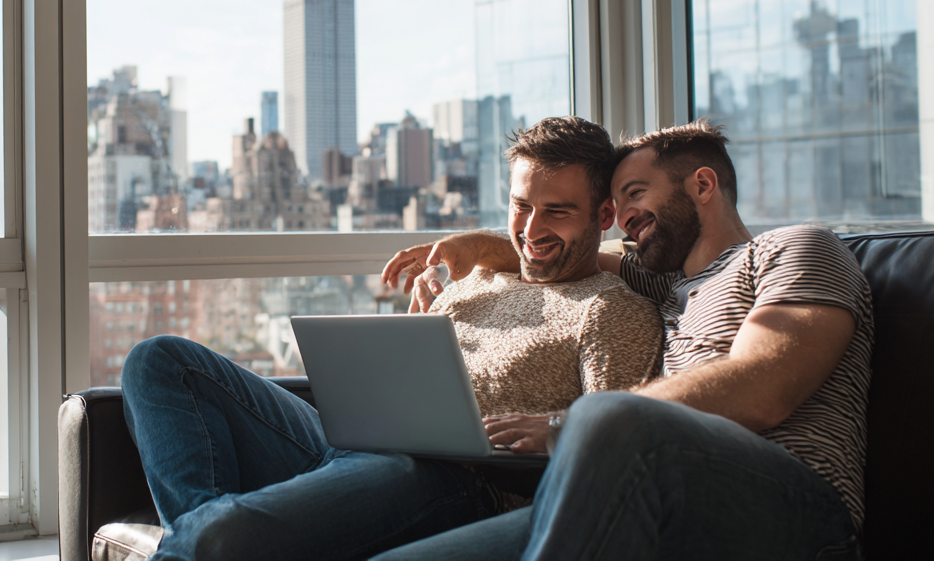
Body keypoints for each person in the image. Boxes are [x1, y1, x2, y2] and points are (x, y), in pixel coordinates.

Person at [120, 117, 663, 561]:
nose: (531, 229)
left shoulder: (610, 313)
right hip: (350, 441)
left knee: (223, 538)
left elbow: (614, 453)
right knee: (161, 361)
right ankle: (202, 539)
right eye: (522, 206)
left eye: (558, 212)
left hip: (446, 480)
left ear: (605, 215)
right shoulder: (477, 276)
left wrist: (553, 427)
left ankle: (203, 544)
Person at [377, 120, 872, 560]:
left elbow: (764, 387)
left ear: (702, 184)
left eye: (636, 192)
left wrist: (569, 424)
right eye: (615, 202)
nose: (624, 213)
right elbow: (561, 249)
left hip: (796, 507)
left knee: (610, 412)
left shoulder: (794, 248)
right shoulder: (662, 280)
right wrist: (471, 246)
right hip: (664, 494)